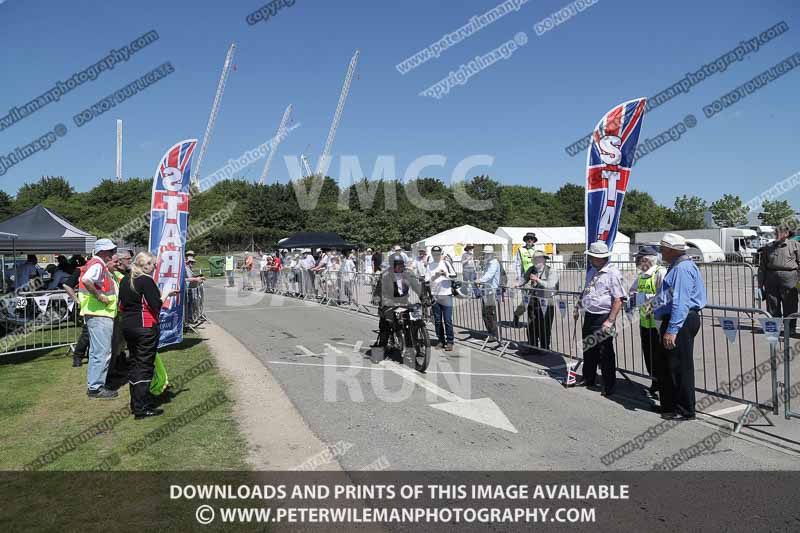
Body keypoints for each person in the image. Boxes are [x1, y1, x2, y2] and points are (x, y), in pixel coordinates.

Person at [119, 252, 179, 419]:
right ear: (144, 265)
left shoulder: (125, 280)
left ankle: (136, 403)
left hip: (128, 326)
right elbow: (156, 305)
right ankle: (141, 408)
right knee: (144, 367)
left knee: (135, 364)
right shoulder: (146, 280)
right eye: (153, 264)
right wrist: (167, 294)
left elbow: (121, 306)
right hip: (145, 327)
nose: (155, 267)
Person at [654, 233, 707, 421]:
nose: (660, 251)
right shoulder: (678, 266)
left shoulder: (682, 269)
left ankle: (685, 409)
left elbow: (681, 302)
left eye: (663, 247)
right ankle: (671, 405)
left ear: (671, 249)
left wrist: (672, 329)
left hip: (681, 321)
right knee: (669, 365)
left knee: (680, 367)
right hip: (677, 319)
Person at [573, 241, 624, 397]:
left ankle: (609, 385)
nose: (589, 259)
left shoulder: (613, 273)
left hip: (603, 316)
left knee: (605, 352)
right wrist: (578, 305)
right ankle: (588, 378)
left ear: (599, 257)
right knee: (589, 348)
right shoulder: (592, 271)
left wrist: (610, 321)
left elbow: (618, 299)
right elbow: (586, 290)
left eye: (591, 257)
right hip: (589, 314)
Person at [79, 238, 119, 399]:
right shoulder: (98, 264)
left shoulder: (95, 263)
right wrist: (100, 296)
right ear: (102, 252)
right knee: (102, 352)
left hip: (97, 313)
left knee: (98, 351)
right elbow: (87, 280)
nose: (113, 254)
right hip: (99, 313)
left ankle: (96, 385)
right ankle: (96, 387)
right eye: (111, 251)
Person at [628, 245, 667, 397]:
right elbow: (632, 292)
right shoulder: (642, 275)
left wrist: (649, 302)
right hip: (645, 322)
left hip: (657, 323)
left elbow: (665, 296)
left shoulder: (660, 273)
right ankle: (655, 382)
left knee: (659, 357)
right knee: (649, 356)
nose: (636, 262)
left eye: (638, 259)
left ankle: (662, 386)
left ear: (646, 260)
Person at [371, 254, 423, 349]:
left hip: (404, 301)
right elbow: (379, 288)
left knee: (413, 320)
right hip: (389, 302)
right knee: (385, 324)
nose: (400, 267)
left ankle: (414, 343)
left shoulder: (408, 273)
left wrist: (423, 297)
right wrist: (377, 297)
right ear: (392, 265)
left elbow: (416, 286)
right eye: (397, 265)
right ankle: (382, 345)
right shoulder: (385, 274)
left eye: (401, 264)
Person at [758, 224, 800, 336]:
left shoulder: (795, 245)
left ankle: (790, 328)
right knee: (772, 304)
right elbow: (762, 267)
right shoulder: (768, 247)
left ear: (786, 234)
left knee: (790, 305)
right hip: (771, 278)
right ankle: (773, 328)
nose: (775, 234)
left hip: (790, 278)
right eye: (775, 232)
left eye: (778, 232)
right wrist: (759, 285)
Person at [520, 250, 560, 351]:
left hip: (547, 301)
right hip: (533, 301)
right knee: (531, 324)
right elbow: (524, 279)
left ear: (543, 260)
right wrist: (517, 284)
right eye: (534, 259)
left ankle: (544, 347)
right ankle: (532, 346)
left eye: (537, 259)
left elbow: (551, 286)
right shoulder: (531, 269)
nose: (535, 261)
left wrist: (538, 280)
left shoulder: (551, 271)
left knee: (545, 326)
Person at [426, 245, 457, 351]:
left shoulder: (446, 263)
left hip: (446, 294)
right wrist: (435, 276)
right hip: (435, 295)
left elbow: (454, 275)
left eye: (438, 254)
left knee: (448, 320)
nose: (436, 256)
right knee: (438, 320)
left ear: (441, 254)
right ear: (432, 254)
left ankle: (450, 341)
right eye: (434, 254)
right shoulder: (430, 266)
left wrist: (445, 274)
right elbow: (427, 280)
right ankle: (440, 340)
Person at [62, 255, 89, 367]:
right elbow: (67, 285)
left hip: (99, 306)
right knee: (86, 334)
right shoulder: (81, 270)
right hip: (86, 306)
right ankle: (78, 356)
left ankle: (88, 355)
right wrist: (76, 300)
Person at [477, 245, 502, 342]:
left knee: (490, 313)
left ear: (491, 254)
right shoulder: (487, 263)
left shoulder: (494, 263)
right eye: (485, 253)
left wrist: (480, 280)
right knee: (485, 313)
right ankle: (490, 332)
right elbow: (485, 274)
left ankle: (494, 334)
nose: (485, 255)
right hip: (486, 290)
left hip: (491, 290)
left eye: (487, 254)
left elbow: (489, 275)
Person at [513, 232, 538, 326]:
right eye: (528, 239)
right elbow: (518, 264)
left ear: (534, 241)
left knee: (536, 301)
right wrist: (520, 279)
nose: (529, 240)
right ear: (525, 240)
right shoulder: (521, 250)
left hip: (536, 279)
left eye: (531, 239)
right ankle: (517, 314)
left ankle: (532, 321)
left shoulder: (537, 250)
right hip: (525, 279)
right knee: (527, 301)